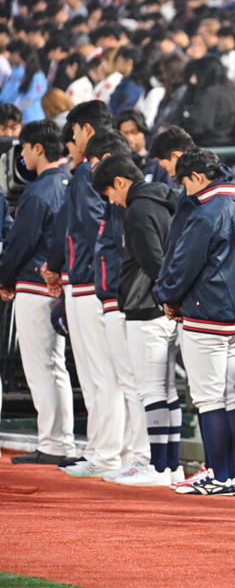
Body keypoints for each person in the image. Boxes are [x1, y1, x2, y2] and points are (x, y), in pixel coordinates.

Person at [155, 148, 235, 496]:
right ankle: (231, 473)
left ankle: (220, 476)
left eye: (185, 182)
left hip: (206, 313)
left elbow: (183, 265)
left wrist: (168, 297)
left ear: (197, 177)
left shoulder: (207, 211)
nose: (185, 190)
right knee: (229, 397)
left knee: (210, 399)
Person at [41, 100, 126, 478]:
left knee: (102, 374)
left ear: (87, 130)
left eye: (73, 132)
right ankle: (99, 448)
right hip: (82, 281)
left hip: (93, 283)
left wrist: (92, 275)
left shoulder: (95, 173)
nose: (70, 140)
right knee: (93, 375)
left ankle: (108, 452)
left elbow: (97, 228)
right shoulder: (84, 174)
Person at [91, 154, 183, 487]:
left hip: (147, 309)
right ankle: (171, 465)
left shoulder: (139, 209)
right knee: (168, 391)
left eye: (109, 193)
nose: (112, 201)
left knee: (151, 390)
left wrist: (167, 295)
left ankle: (158, 466)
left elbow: (151, 261)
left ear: (120, 182)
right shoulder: (162, 200)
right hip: (164, 310)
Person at [0, 120, 75, 465]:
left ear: (38, 149)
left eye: (26, 148)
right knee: (54, 365)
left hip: (34, 282)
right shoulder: (70, 184)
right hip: (63, 283)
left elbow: (20, 242)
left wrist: (4, 278)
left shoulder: (39, 190)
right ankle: (61, 441)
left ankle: (52, 442)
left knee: (40, 366)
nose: (23, 154)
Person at [82, 130, 152, 485]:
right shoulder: (124, 203)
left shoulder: (135, 204)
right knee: (131, 383)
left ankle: (142, 457)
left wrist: (117, 295)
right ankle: (133, 455)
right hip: (122, 299)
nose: (109, 197)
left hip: (131, 301)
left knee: (138, 383)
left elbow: (135, 256)